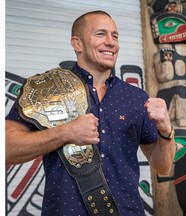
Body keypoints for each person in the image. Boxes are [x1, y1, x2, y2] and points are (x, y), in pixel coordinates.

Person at [6, 10, 176, 216]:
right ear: (77, 44)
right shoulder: (45, 90)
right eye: (100, 34)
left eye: (115, 36)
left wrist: (166, 132)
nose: (111, 42)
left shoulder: (135, 97)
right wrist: (65, 133)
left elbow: (163, 167)